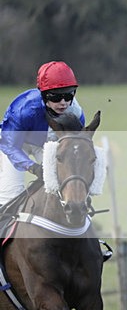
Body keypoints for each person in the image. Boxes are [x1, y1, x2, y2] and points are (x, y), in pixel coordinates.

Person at [0, 61, 85, 208]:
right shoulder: (23, 110)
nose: (63, 102)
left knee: (58, 186)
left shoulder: (75, 113)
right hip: (15, 144)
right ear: (44, 95)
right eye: (56, 97)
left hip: (46, 144)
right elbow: (10, 145)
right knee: (10, 195)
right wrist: (32, 167)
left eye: (68, 95)